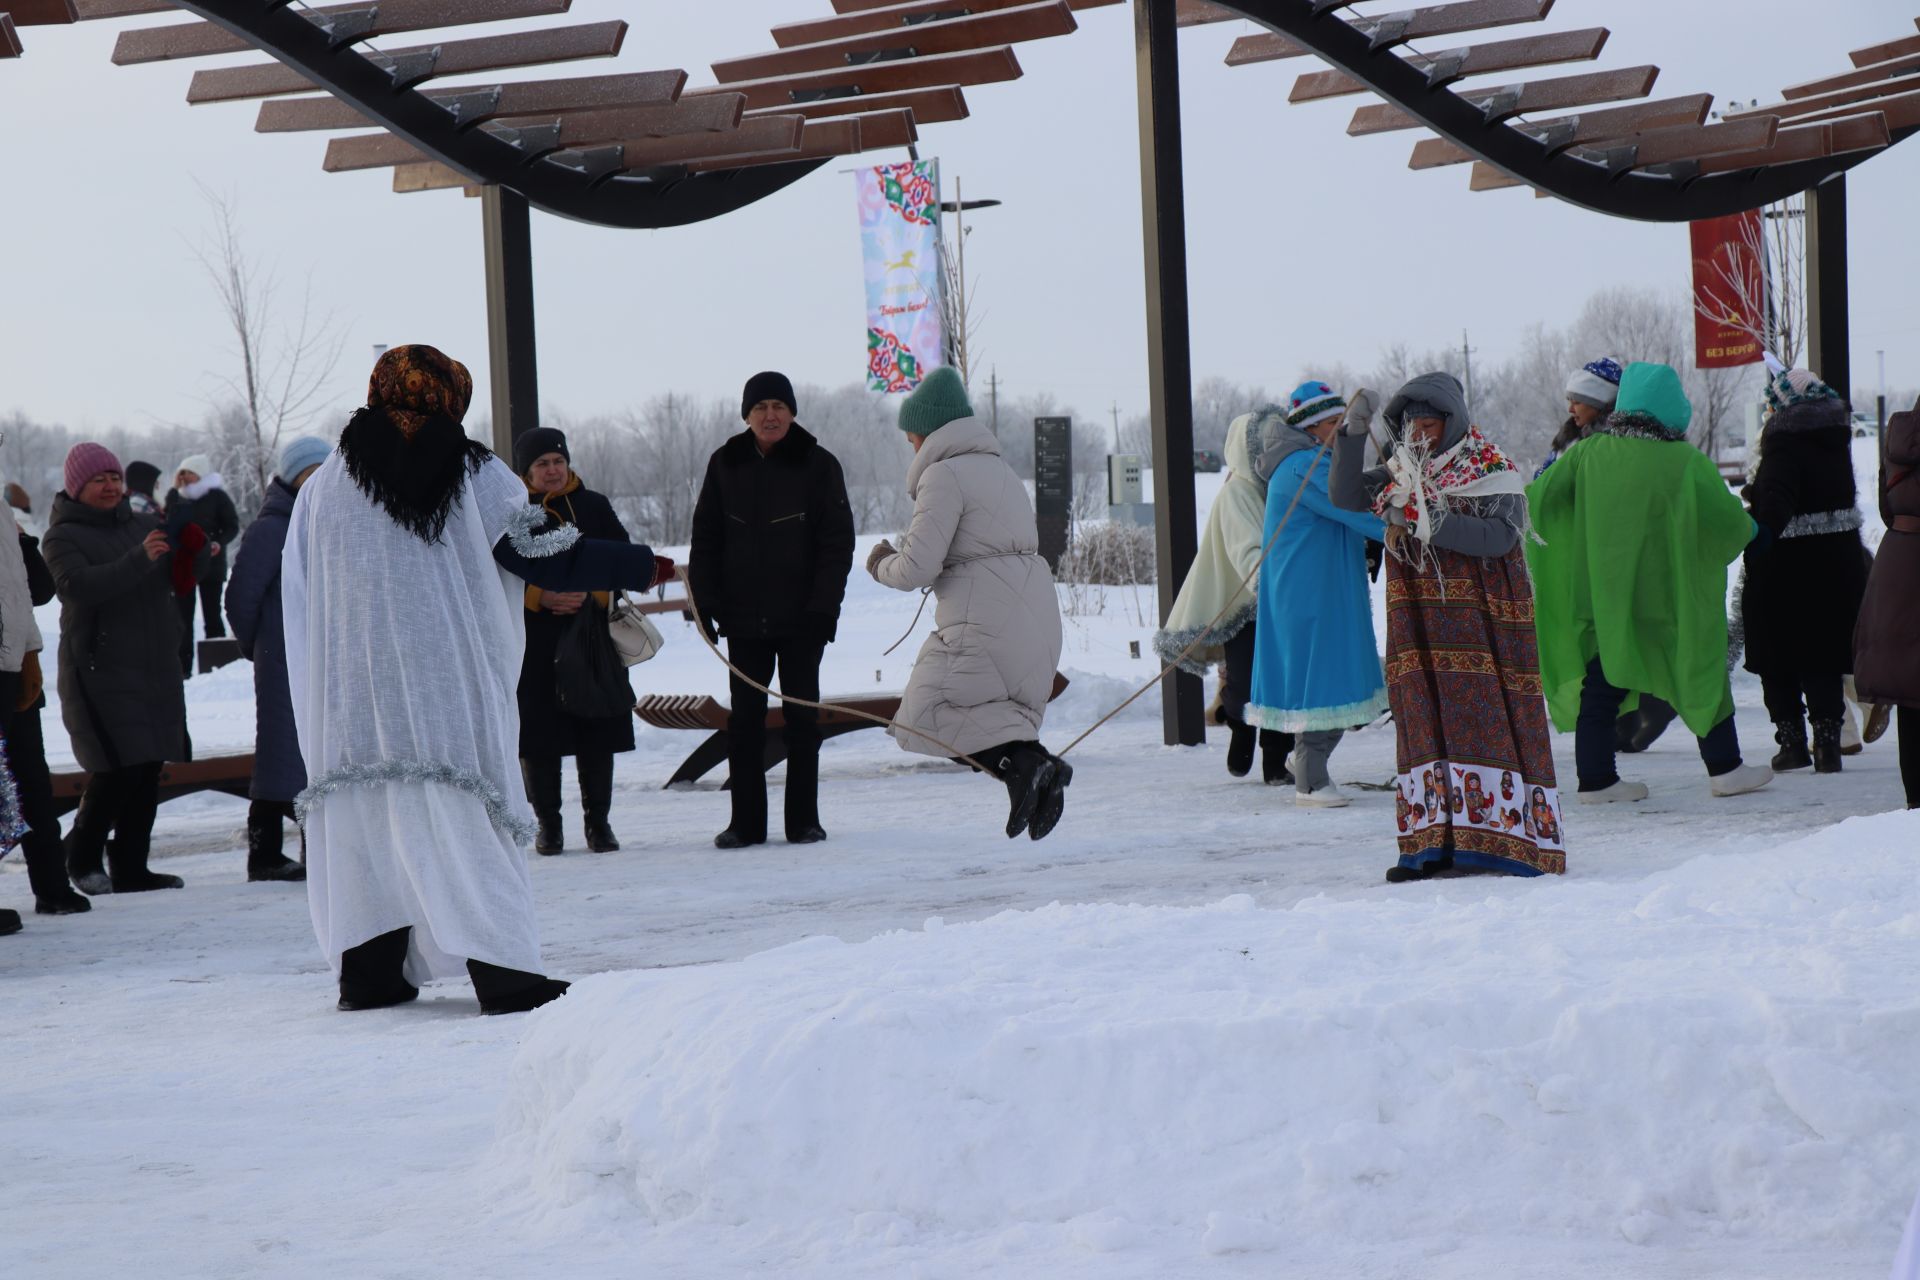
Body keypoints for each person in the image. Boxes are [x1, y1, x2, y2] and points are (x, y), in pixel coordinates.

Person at [284, 345, 668, 1014]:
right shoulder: (474, 473)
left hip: (351, 696)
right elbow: (548, 553)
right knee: (464, 818)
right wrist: (641, 564)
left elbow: (302, 592)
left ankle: (370, 974)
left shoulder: (326, 485)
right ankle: (505, 975)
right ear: (450, 397)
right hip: (443, 685)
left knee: (369, 827)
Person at [1334, 373, 1565, 882]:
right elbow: (1347, 496)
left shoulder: (1490, 468)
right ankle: (1428, 845)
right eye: (1410, 424)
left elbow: (1501, 537)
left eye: (1429, 422)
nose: (1419, 434)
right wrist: (1352, 432)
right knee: (1422, 720)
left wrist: (1427, 518)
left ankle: (1498, 841)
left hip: (1481, 626)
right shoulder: (1399, 473)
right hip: (1417, 625)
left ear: (1451, 421)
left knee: (1479, 721)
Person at [1527, 361, 1773, 802]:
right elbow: (1728, 523)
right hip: (1673, 600)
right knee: (1701, 673)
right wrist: (1757, 533)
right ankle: (1725, 769)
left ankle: (1597, 780)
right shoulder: (1686, 462)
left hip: (1607, 601)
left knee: (1601, 686)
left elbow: (1539, 502)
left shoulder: (1587, 453)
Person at [867, 367, 1070, 839]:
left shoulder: (943, 475)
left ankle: (1022, 769)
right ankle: (1038, 767)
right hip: (1033, 617)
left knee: (925, 714)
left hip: (983, 618)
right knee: (997, 712)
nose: (911, 446)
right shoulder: (1002, 471)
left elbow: (916, 567)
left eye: (912, 437)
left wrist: (880, 562)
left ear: (927, 431)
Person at [689, 371, 855, 849]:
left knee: (803, 722)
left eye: (779, 406)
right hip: (743, 619)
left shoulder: (820, 465)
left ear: (792, 412)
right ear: (747, 415)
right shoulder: (725, 464)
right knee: (745, 723)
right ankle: (745, 824)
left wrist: (823, 610)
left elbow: (836, 545)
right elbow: (706, 539)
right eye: (760, 407)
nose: (770, 415)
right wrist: (708, 603)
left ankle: (804, 820)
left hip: (803, 620)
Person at [43, 442, 210, 895]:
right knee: (117, 767)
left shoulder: (143, 523)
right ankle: (80, 857)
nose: (111, 486)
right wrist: (140, 557)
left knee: (148, 764)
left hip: (153, 666)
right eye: (99, 480)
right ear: (77, 487)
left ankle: (132, 866)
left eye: (115, 478)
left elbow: (172, 577)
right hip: (100, 669)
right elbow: (77, 586)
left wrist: (195, 551)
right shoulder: (62, 536)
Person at [1244, 381, 1388, 808]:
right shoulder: (1306, 466)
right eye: (1333, 422)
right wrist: (1412, 530)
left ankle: (1306, 763)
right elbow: (1353, 508)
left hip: (1317, 587)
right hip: (1311, 594)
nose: (1340, 428)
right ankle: (1310, 780)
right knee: (1323, 679)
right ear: (1313, 426)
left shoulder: (1304, 462)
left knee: (1331, 676)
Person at [1737, 363, 1872, 775]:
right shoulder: (1835, 440)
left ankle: (1792, 744)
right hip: (1837, 565)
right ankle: (1828, 743)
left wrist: (1757, 529)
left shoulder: (1783, 444)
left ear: (1781, 406)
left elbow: (1778, 500)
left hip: (1787, 569)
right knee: (1822, 656)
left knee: (1776, 657)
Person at [511, 426, 636, 855]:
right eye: (542, 464)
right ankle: (549, 826)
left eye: (558, 462)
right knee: (540, 736)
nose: (552, 470)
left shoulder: (593, 506)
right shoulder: (512, 512)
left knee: (596, 729)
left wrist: (591, 593)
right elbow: (498, 573)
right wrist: (538, 596)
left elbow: (620, 558)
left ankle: (599, 824)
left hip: (591, 637)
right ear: (527, 471)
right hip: (535, 641)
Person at [1153, 406, 1294, 784]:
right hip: (1243, 604)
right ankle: (1240, 728)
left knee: (1284, 680)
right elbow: (1245, 549)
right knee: (1246, 681)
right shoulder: (1237, 493)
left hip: (1281, 600)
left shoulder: (1284, 487)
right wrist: (1271, 582)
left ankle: (1276, 759)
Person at [224, 435, 331, 884]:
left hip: (318, 655)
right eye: (310, 473)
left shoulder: (326, 518)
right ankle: (268, 852)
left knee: (311, 755)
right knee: (285, 756)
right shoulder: (274, 526)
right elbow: (240, 597)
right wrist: (262, 647)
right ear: (292, 478)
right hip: (285, 655)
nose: (318, 481)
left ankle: (309, 852)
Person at [0, 494, 88, 922]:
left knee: (32, 783)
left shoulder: (2, 511)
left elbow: (39, 590)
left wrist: (22, 542)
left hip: (17, 664)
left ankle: (52, 887)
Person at [1853, 396, 1920, 808]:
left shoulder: (1899, 434)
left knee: (1911, 693)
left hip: (1898, 564)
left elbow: (1885, 507)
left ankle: (1915, 804)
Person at [163, 453, 240, 677]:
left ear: (200, 474)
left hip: (212, 566)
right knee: (182, 620)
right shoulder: (177, 498)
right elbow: (167, 521)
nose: (185, 477)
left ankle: (216, 669)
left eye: (189, 472)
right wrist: (173, 492)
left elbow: (232, 525)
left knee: (212, 616)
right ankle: (183, 670)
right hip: (183, 566)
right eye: (182, 473)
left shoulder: (217, 497)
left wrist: (218, 542)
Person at [1537, 356, 1624, 477]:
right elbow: (1542, 481)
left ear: (1599, 404)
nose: (1570, 409)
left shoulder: (1617, 443)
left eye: (1577, 402)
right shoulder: (1567, 440)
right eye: (1569, 401)